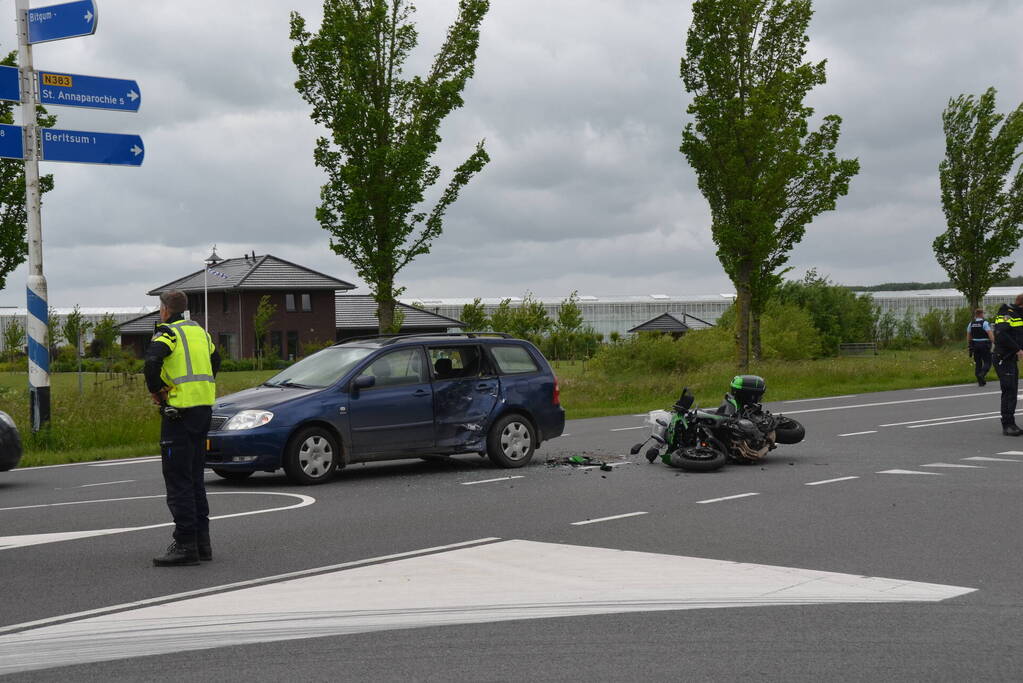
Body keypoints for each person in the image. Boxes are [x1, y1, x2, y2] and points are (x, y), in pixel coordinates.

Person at [144, 290, 221, 566]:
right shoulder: (201, 333)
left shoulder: (168, 333)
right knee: (195, 478)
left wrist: (157, 392)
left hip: (178, 414)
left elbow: (151, 361)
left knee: (178, 481)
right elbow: (216, 361)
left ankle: (185, 545)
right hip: (203, 411)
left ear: (165, 309)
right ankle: (203, 544)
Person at [992, 296, 1023, 436]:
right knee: (1009, 391)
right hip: (1002, 358)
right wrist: (1017, 348)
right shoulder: (1006, 314)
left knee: (1013, 391)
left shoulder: (1018, 315)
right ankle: (1007, 424)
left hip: (1010, 358)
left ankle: (1012, 423)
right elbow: (1001, 334)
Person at [967, 307, 995, 386]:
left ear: (976, 315)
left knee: (978, 363)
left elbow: (968, 335)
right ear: (981, 314)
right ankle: (982, 374)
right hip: (984, 345)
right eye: (983, 314)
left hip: (975, 345)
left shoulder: (971, 323)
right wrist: (995, 342)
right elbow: (990, 334)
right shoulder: (985, 323)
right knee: (987, 362)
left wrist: (969, 345)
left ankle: (980, 381)